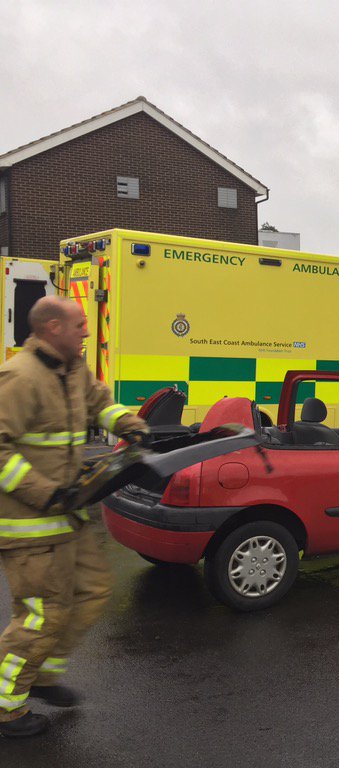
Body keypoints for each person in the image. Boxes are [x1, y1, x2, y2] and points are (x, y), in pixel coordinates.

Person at [0, 296, 149, 738]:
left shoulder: (71, 370)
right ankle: (7, 707)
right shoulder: (18, 378)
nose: (87, 331)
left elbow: (100, 402)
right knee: (41, 615)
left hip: (67, 516)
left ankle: (40, 675)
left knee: (93, 591)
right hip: (31, 526)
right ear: (51, 328)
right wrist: (44, 493)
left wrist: (130, 424)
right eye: (80, 324)